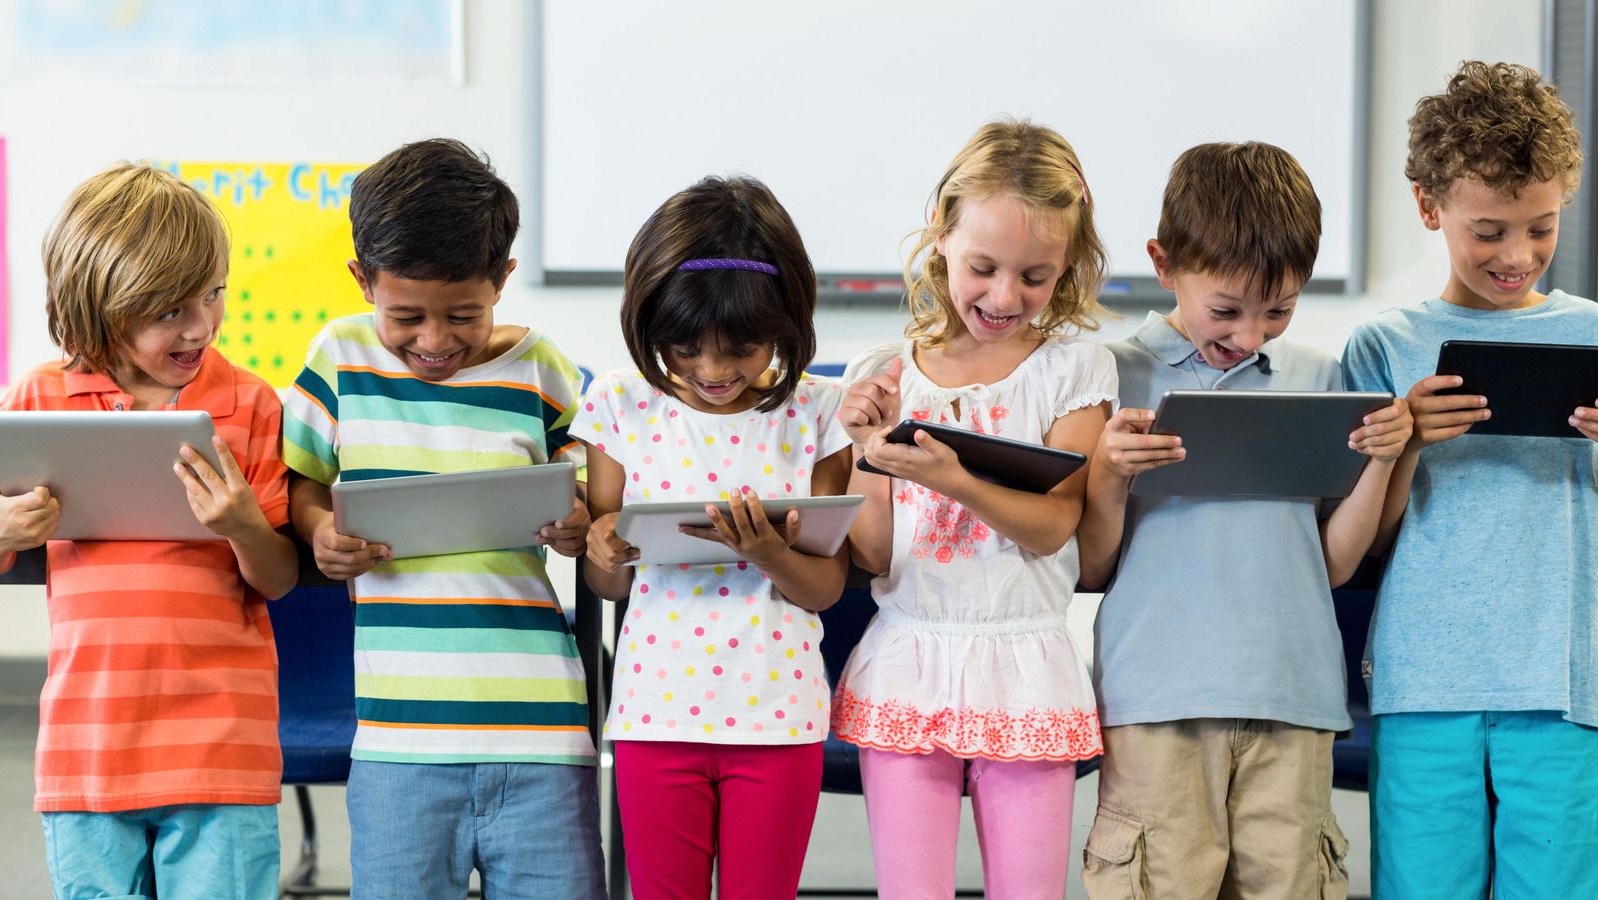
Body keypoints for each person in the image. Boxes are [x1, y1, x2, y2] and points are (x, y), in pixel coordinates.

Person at [1076, 141, 1412, 900]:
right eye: (1226, 310)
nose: (1252, 335)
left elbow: (1330, 565)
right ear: (1165, 265)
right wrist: (1107, 471)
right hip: (1157, 700)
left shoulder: (1323, 380)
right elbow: (1090, 568)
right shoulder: (1108, 376)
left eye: (1280, 311)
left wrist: (1384, 459)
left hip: (1293, 697)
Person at [281, 138, 603, 899]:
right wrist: (318, 532)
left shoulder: (542, 368)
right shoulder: (339, 358)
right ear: (362, 281)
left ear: (503, 281)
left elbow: (586, 491)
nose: (434, 342)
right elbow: (301, 485)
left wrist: (576, 519)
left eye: (464, 314)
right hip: (399, 736)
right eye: (406, 317)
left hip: (542, 728)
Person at [829, 119, 1115, 899]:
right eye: (984, 267)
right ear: (940, 236)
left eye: (1036, 275)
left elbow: (1055, 525)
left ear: (1069, 266)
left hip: (1024, 662)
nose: (1004, 295)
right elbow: (877, 553)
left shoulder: (1074, 368)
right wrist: (865, 445)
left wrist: (954, 479)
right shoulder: (884, 372)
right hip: (909, 659)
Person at [0, 162, 297, 899]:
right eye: (169, 311)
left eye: (214, 294)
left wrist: (241, 527)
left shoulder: (252, 404)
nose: (201, 325)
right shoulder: (39, 397)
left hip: (223, 747)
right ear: (99, 308)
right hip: (87, 747)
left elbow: (280, 578)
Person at [1341, 60, 1598, 899]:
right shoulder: (1382, 348)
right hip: (1424, 683)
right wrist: (1406, 443)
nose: (1516, 255)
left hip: (1565, 690)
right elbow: (1360, 548)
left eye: (1541, 226)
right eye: (1488, 230)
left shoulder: (1594, 335)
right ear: (1429, 207)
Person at [578, 174, 851, 900]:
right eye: (684, 349)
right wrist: (603, 550)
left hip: (778, 715)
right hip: (654, 711)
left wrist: (766, 551)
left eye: (741, 349)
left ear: (787, 320)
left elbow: (825, 587)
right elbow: (608, 583)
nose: (713, 372)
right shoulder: (620, 403)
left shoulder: (819, 411)